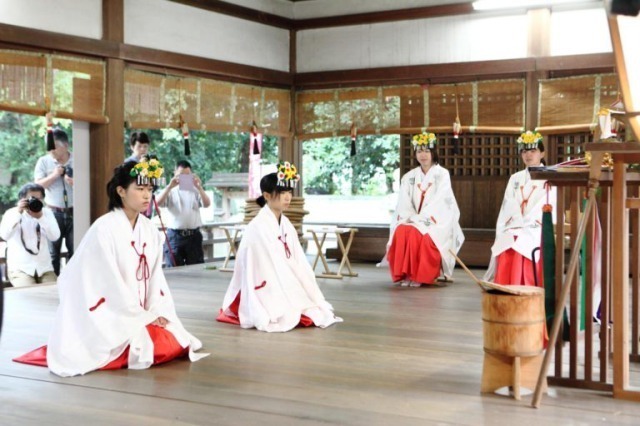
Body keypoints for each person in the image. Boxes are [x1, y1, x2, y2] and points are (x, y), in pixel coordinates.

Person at [14, 160, 207, 377]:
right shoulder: (103, 228)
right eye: (140, 189)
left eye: (150, 189)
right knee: (154, 347)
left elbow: (155, 278)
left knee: (174, 340)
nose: (146, 196)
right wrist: (141, 316)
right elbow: (105, 282)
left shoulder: (149, 229)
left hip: (141, 311)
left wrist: (156, 311)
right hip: (112, 314)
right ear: (121, 191)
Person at [217, 162, 342, 332]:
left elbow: (296, 256)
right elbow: (256, 261)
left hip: (286, 274)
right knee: (284, 310)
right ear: (267, 196)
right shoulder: (257, 226)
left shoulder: (286, 223)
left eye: (289, 192)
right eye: (282, 193)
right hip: (265, 279)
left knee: (310, 305)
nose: (287, 197)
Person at [387, 131, 464, 287]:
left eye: (427, 151)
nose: (423, 155)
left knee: (417, 232)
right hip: (413, 218)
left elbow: (441, 202)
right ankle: (406, 275)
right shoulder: (408, 177)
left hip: (436, 220)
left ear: (433, 152)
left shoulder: (442, 174)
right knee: (401, 230)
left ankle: (419, 276)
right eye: (420, 151)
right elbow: (403, 203)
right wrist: (410, 218)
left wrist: (419, 220)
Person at [484, 131, 556, 286]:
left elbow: (548, 204)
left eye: (533, 151)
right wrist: (516, 223)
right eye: (524, 151)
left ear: (542, 153)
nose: (528, 155)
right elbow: (508, 204)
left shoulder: (551, 177)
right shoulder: (515, 178)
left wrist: (525, 225)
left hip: (536, 225)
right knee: (508, 236)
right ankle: (505, 283)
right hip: (516, 223)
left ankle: (522, 283)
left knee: (523, 238)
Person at [0, 183, 60, 287]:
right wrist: (18, 213)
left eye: (39, 198)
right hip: (20, 269)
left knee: (53, 294)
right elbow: (4, 235)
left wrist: (41, 218)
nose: (35, 201)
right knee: (29, 295)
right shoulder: (11, 213)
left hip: (44, 268)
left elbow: (55, 236)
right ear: (22, 199)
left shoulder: (47, 213)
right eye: (32, 198)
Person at [155, 160, 211, 267]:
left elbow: (207, 204)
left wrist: (199, 187)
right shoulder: (169, 190)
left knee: (196, 270)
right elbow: (157, 204)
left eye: (187, 175)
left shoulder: (195, 190)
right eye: (181, 175)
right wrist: (169, 187)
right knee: (174, 270)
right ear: (175, 173)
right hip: (174, 236)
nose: (184, 178)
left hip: (193, 235)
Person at [34, 128, 74, 276]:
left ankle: (71, 283)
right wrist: (55, 174)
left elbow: (90, 183)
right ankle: (54, 284)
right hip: (53, 212)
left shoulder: (78, 158)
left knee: (74, 250)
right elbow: (37, 187)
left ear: (66, 145)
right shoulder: (43, 162)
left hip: (75, 211)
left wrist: (74, 182)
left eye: (55, 146)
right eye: (48, 146)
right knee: (53, 253)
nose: (51, 150)